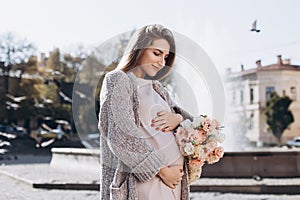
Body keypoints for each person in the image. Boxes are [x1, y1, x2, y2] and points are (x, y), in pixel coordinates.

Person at [98, 24, 193, 200]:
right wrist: (162, 170)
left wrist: (177, 118)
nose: (161, 62)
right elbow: (120, 135)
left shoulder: (158, 88)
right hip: (144, 182)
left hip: (173, 183)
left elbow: (193, 122)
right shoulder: (118, 79)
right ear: (138, 49)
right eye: (156, 53)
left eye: (165, 57)